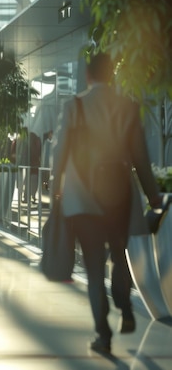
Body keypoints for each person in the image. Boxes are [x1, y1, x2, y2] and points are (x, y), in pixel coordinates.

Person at [51, 52, 162, 354]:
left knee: (94, 266)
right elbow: (140, 157)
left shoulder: (74, 106)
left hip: (84, 199)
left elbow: (59, 153)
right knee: (119, 255)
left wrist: (54, 192)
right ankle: (125, 305)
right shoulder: (128, 107)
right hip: (119, 195)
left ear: (88, 76)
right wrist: (152, 196)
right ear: (112, 75)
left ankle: (103, 335)